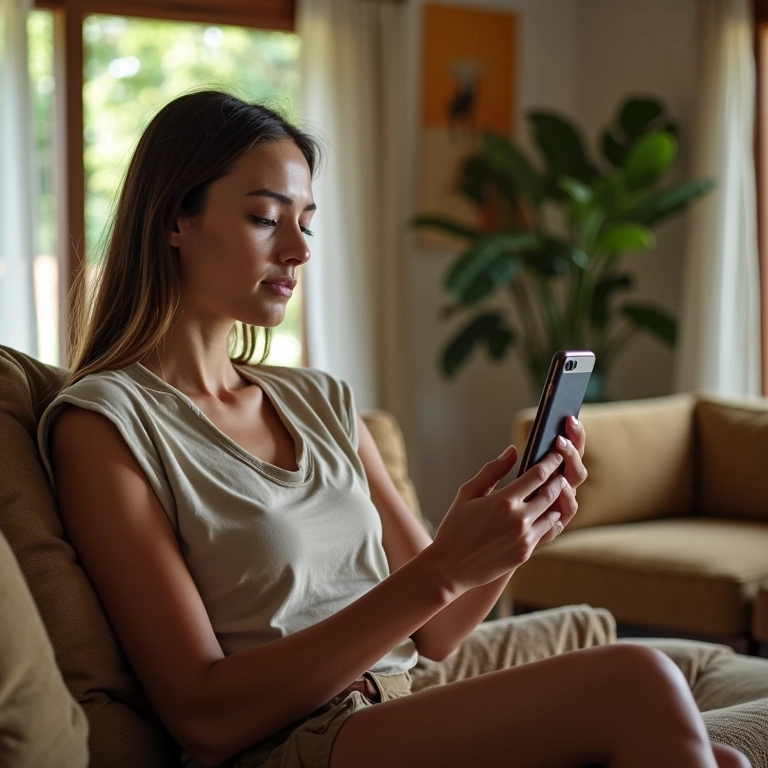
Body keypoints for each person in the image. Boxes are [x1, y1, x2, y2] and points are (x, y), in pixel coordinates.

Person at [37, 90, 749, 768]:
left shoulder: (322, 402)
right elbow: (205, 716)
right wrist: (443, 570)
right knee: (637, 680)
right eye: (266, 218)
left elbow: (437, 632)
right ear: (174, 220)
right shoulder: (106, 426)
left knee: (720, 756)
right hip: (289, 746)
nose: (299, 250)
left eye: (307, 221)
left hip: (403, 712)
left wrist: (510, 535)